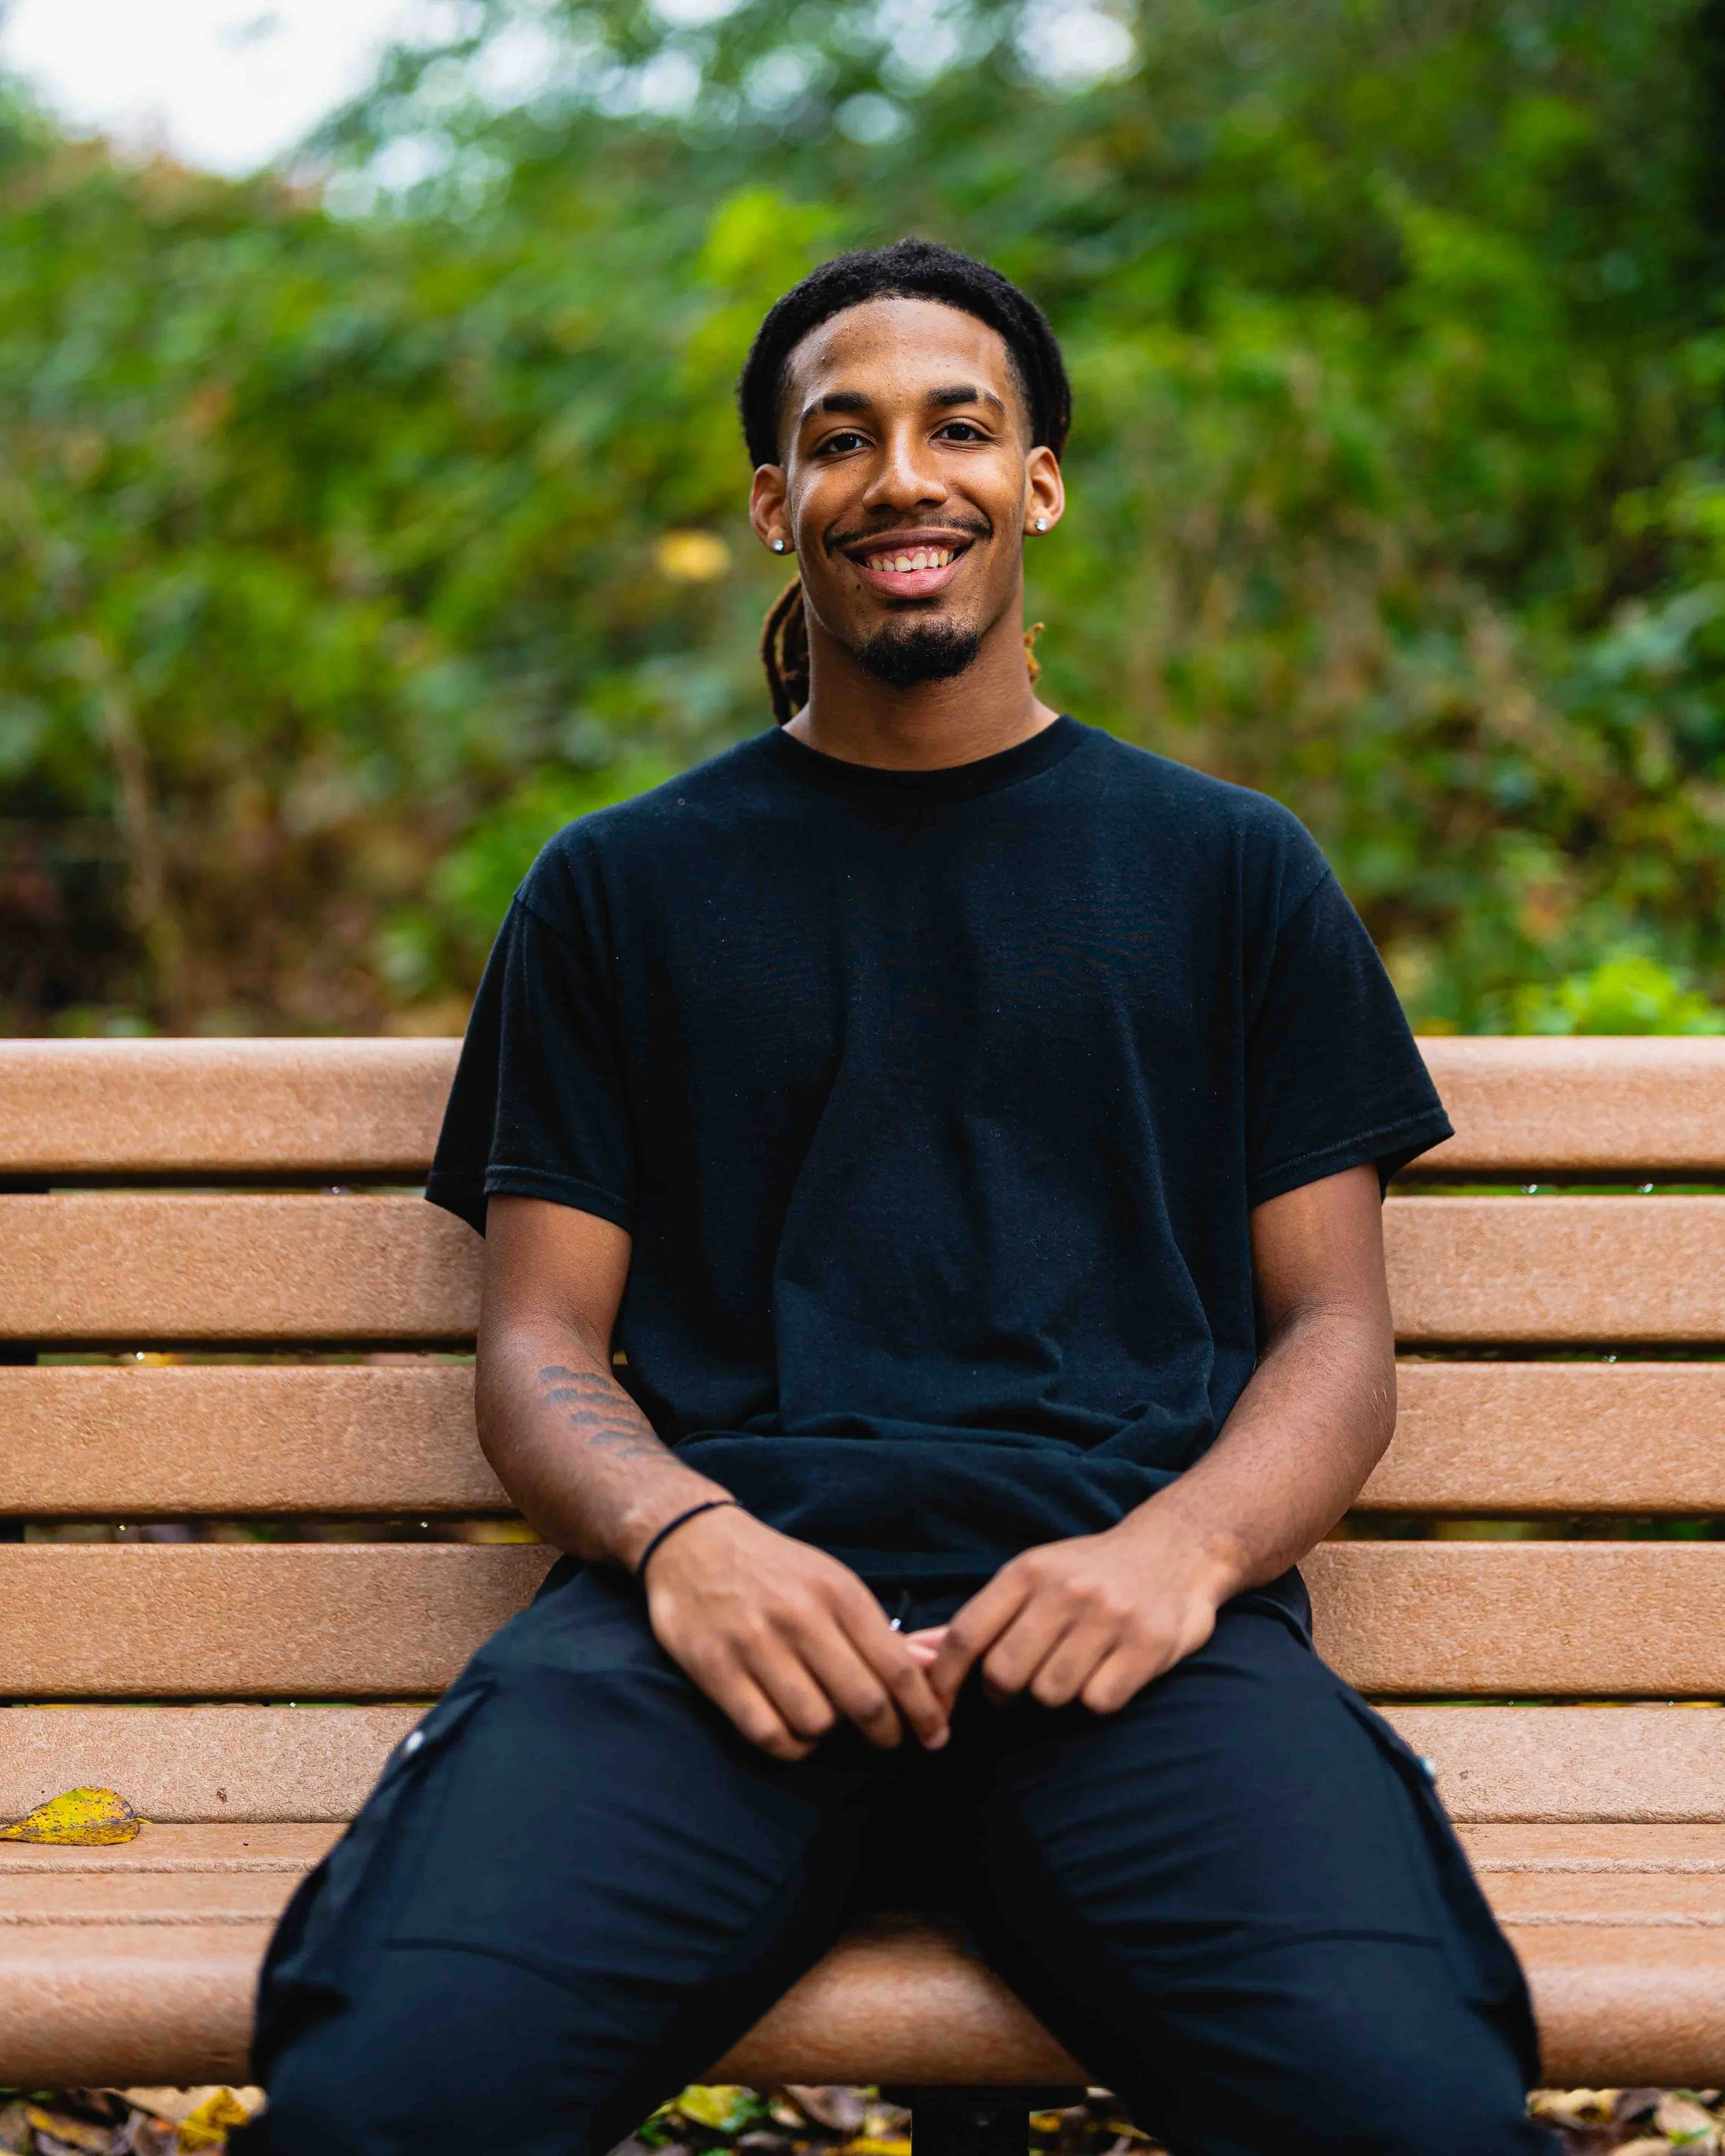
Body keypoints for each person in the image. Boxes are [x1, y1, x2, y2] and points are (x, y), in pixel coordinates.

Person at [244, 239, 1555, 2155]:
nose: (901, 476)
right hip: (703, 1638)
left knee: (1413, 2116)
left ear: (1035, 480)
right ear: (777, 503)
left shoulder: (1228, 871)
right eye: (837, 438)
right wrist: (686, 1538)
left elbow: (1332, 1336)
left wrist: (1176, 1555)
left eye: (960, 425)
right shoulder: (620, 887)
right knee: (386, 2108)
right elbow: (536, 1348)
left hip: (1126, 1635)